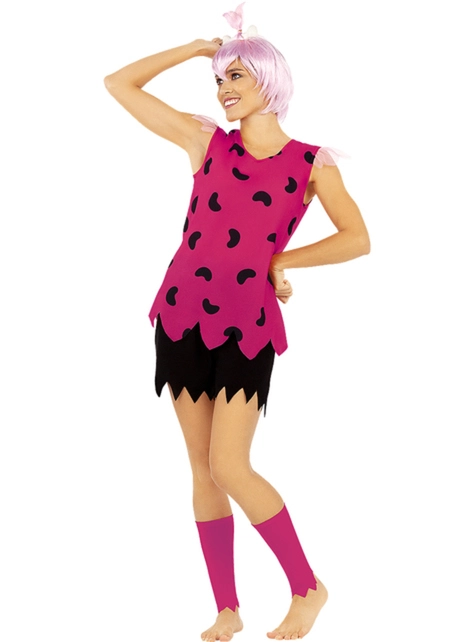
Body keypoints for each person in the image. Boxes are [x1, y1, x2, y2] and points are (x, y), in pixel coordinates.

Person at [104, 4, 370, 640]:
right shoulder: (205, 142)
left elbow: (357, 238)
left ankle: (307, 587)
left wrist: (281, 260)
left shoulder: (311, 163)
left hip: (248, 326)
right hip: (180, 316)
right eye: (218, 79)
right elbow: (118, 83)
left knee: (231, 463)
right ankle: (227, 607)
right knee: (202, 468)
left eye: (235, 77)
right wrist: (197, 48)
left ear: (268, 80)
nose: (222, 89)